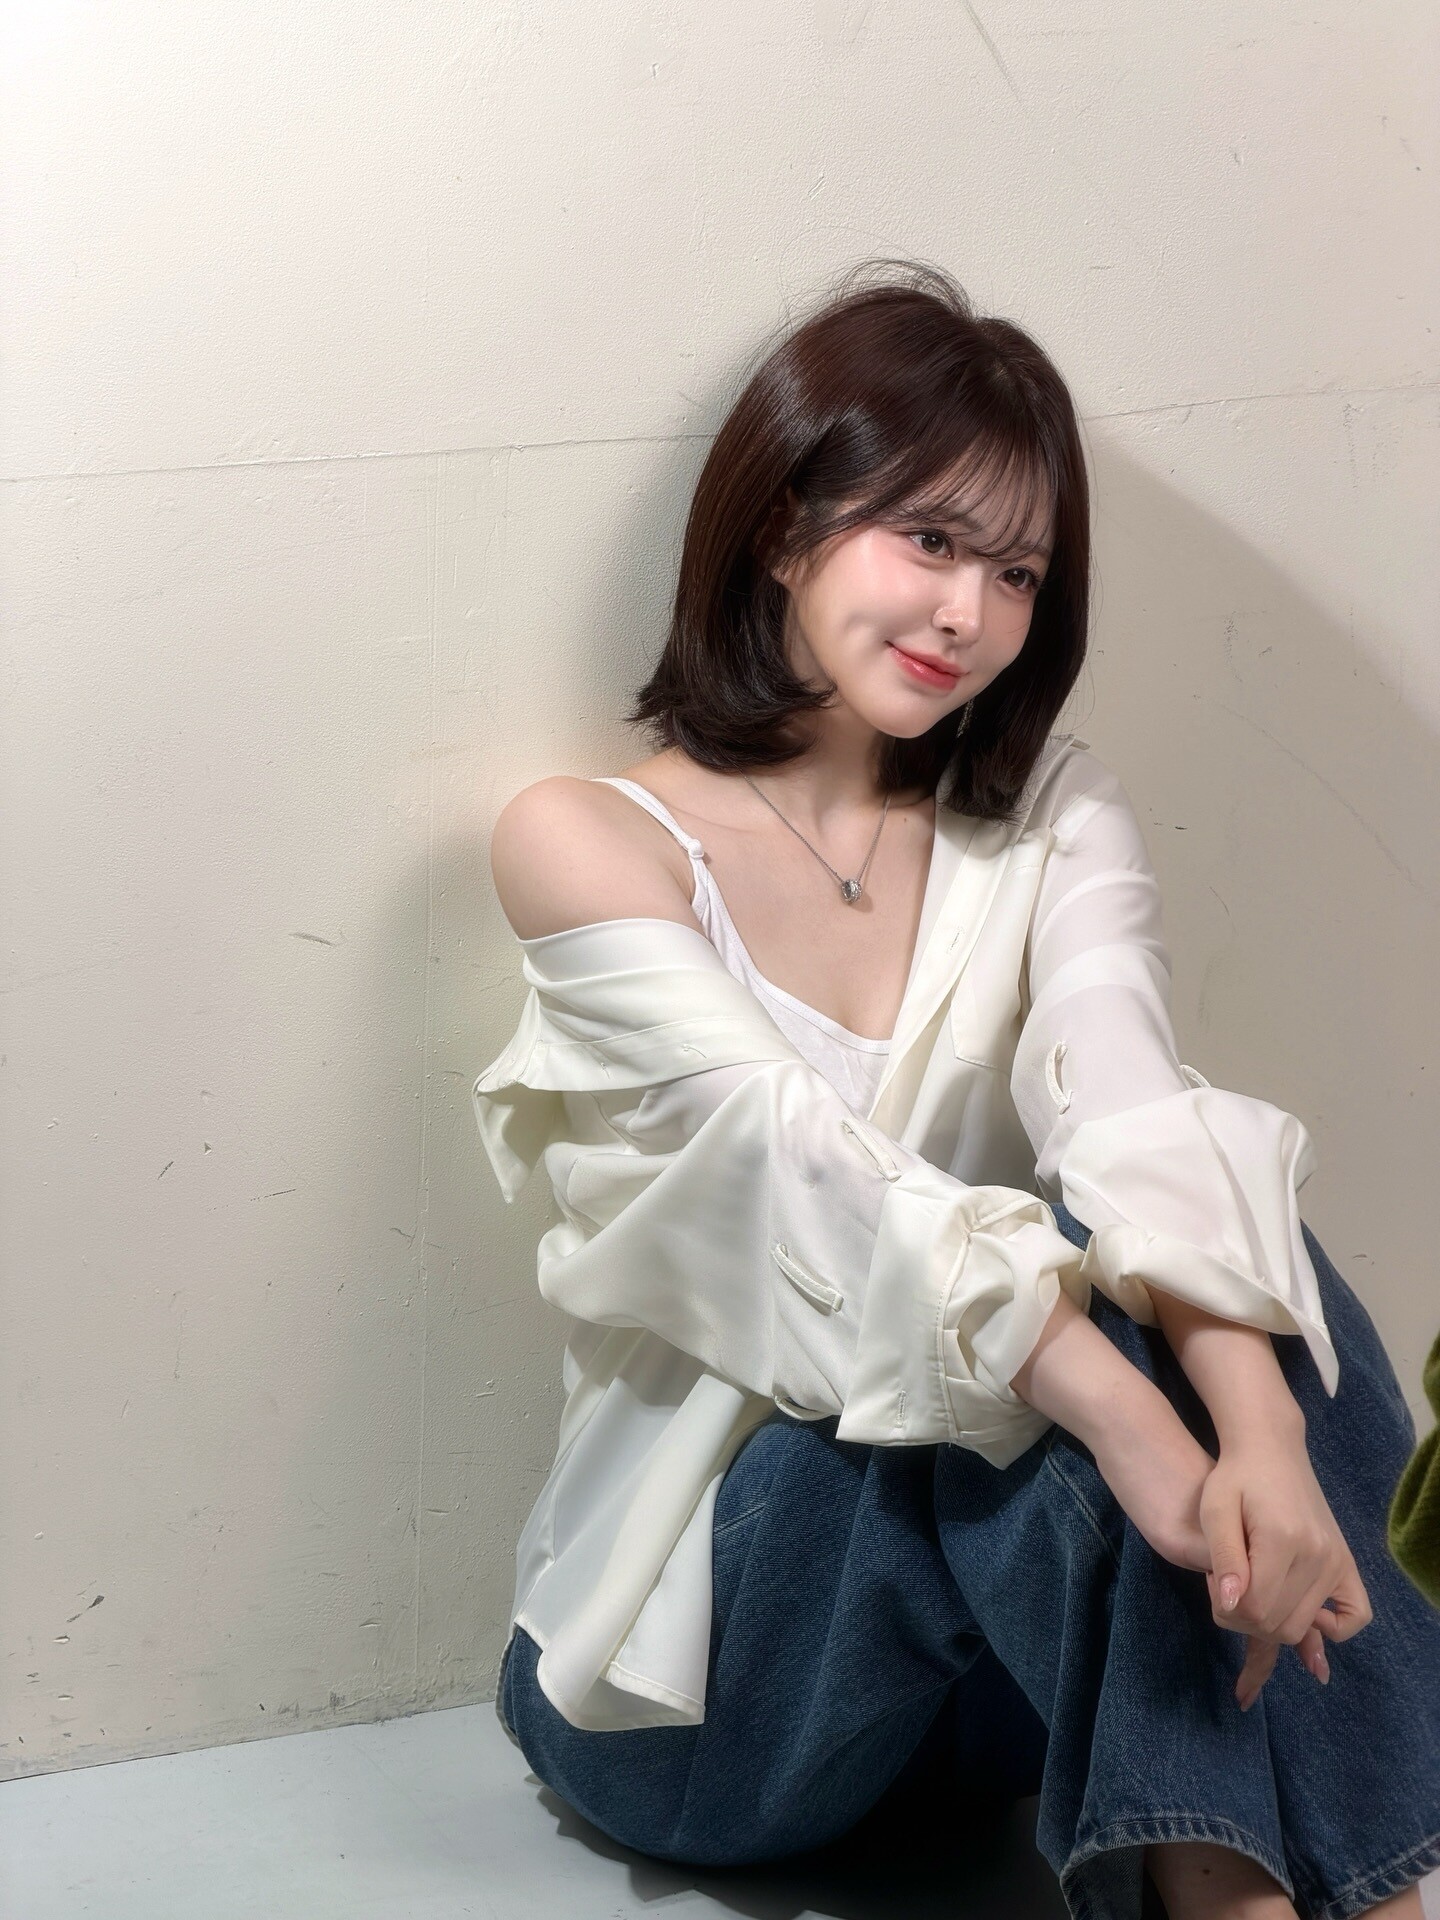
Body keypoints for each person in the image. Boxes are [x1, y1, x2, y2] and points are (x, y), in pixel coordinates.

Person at [473, 261, 1440, 1920]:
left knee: (1239, 1278)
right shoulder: (586, 843)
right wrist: (1138, 1421)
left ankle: (1357, 1889)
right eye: (926, 540)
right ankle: (1255, 1894)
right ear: (784, 526)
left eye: (1016, 572)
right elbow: (814, 1196)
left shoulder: (1050, 810)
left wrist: (1263, 1431)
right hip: (699, 1688)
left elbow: (1134, 1113)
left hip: (999, 1694)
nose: (967, 615)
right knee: (1007, 1355)